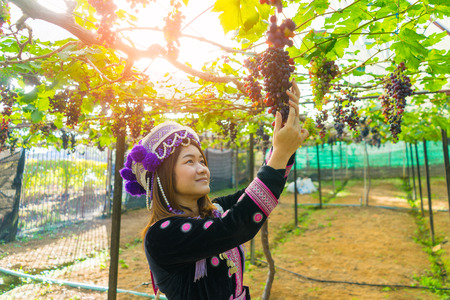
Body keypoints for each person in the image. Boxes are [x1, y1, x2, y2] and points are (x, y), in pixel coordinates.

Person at [119, 82, 308, 300]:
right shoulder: (161, 236)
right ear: (164, 176)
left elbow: (255, 195)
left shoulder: (214, 210)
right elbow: (238, 224)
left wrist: (283, 144)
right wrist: (280, 153)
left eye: (202, 160)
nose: (202, 169)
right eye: (189, 162)